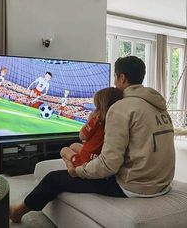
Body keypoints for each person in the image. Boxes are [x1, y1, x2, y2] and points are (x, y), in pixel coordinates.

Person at [10, 56, 175, 223]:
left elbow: (108, 165)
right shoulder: (159, 107)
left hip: (134, 186)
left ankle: (17, 212)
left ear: (122, 78)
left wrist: (78, 170)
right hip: (162, 184)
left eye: (115, 77)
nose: (115, 82)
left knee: (54, 178)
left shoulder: (121, 108)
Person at [60, 87, 123, 174]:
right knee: (74, 145)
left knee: (64, 150)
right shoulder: (116, 121)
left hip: (88, 160)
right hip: (100, 156)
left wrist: (89, 120)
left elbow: (82, 136)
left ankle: (72, 168)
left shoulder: (97, 120)